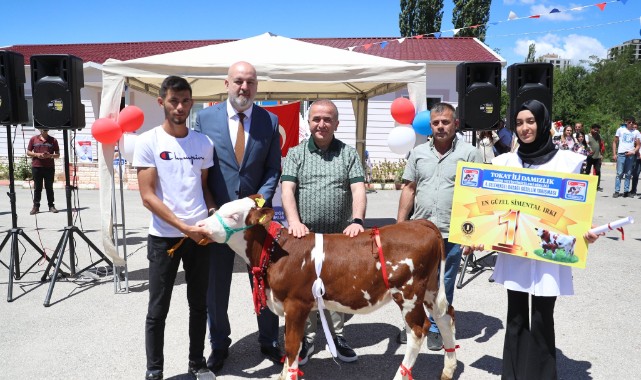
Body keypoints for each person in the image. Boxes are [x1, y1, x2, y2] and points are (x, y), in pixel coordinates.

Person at [490, 99, 601, 379]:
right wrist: (478, 235)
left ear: (543, 123)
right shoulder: (504, 162)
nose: (525, 128)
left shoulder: (568, 162)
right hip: (515, 248)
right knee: (515, 315)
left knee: (542, 315)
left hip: (549, 251)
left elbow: (577, 208)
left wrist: (586, 230)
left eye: (531, 121)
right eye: (519, 122)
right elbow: (491, 210)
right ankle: (513, 374)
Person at [194, 61, 282, 372]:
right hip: (218, 219)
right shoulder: (204, 119)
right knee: (216, 287)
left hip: (254, 222)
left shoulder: (269, 122)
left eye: (250, 82)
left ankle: (270, 340)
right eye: (238, 81)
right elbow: (199, 170)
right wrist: (209, 207)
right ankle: (219, 345)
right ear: (227, 84)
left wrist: (256, 202)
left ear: (256, 86)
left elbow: (273, 170)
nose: (244, 87)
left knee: (264, 280)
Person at [133, 76, 216, 380]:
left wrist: (211, 215)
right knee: (157, 310)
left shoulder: (203, 142)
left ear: (191, 102)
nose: (179, 107)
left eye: (185, 101)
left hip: (200, 238)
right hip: (164, 239)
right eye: (173, 101)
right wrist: (184, 227)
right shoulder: (147, 141)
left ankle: (197, 363)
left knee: (199, 305)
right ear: (162, 102)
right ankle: (154, 372)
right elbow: (147, 196)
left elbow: (204, 187)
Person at [281, 99, 366, 365]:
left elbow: (358, 189)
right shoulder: (296, 154)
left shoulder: (349, 153)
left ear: (336, 124)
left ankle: (339, 337)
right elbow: (287, 190)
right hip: (304, 237)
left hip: (340, 238)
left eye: (328, 119)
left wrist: (358, 220)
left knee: (338, 289)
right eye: (316, 118)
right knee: (305, 290)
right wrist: (293, 221)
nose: (322, 124)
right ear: (309, 122)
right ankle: (307, 340)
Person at [396, 102, 482, 350]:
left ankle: (435, 327)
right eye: (436, 123)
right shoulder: (418, 153)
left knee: (443, 282)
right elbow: (409, 188)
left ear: (455, 124)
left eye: (446, 122)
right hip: (419, 232)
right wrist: (400, 225)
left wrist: (475, 233)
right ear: (430, 126)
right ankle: (414, 324)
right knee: (413, 281)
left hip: (452, 230)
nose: (441, 127)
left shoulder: (470, 153)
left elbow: (479, 195)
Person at [26, 129, 60, 215]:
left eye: (45, 129)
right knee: (37, 187)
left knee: (49, 187)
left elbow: (58, 154)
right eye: (41, 128)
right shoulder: (33, 139)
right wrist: (37, 154)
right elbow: (28, 152)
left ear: (48, 130)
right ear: (39, 129)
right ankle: (36, 207)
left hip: (49, 167)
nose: (43, 130)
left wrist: (50, 155)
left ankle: (51, 206)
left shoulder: (53, 140)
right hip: (37, 167)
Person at [611, 116, 640, 198]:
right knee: (619, 173)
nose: (631, 124)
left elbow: (638, 145)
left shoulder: (636, 132)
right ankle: (617, 191)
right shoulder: (620, 130)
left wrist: (633, 151)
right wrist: (614, 154)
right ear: (626, 122)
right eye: (629, 122)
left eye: (632, 122)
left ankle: (626, 191)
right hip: (621, 154)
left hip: (630, 154)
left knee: (628, 174)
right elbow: (614, 142)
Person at [584, 124, 604, 192]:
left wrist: (601, 154)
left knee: (598, 171)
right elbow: (585, 145)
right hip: (589, 157)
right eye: (595, 129)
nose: (596, 131)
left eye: (597, 130)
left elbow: (600, 146)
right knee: (587, 171)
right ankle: (585, 184)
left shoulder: (599, 136)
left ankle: (597, 186)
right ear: (591, 129)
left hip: (597, 156)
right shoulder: (587, 136)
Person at [629, 122, 641, 196]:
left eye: (636, 127)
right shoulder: (634, 137)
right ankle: (633, 190)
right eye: (634, 127)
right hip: (637, 158)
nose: (635, 129)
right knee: (635, 174)